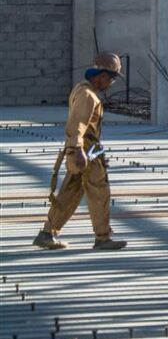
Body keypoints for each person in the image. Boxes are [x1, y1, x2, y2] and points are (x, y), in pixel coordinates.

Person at [32, 52, 128, 251]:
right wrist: (77, 151)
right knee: (99, 192)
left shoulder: (83, 89)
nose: (111, 83)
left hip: (81, 151)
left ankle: (47, 233)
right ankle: (102, 238)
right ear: (101, 76)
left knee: (69, 193)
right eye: (111, 78)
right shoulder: (88, 95)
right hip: (85, 152)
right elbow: (77, 124)